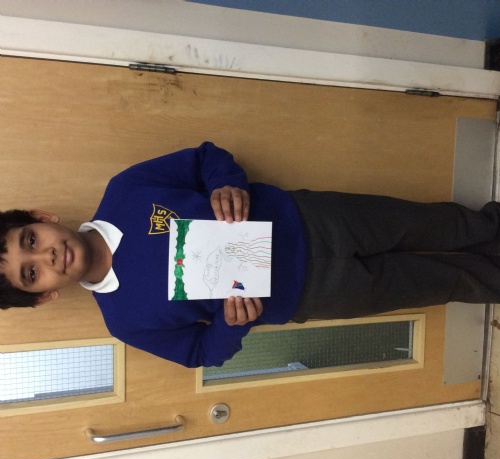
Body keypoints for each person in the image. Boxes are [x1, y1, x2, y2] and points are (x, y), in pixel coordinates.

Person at [1, 142, 500, 368]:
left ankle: (491, 225)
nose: (47, 258)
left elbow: (206, 158)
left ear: (40, 217)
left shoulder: (126, 191)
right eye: (31, 274)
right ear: (43, 296)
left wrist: (226, 185)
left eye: (30, 241)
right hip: (312, 295)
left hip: (312, 219)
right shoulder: (124, 321)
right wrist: (230, 325)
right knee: (436, 281)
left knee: (430, 221)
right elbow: (201, 354)